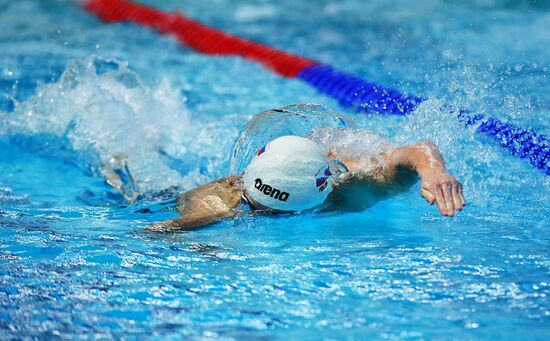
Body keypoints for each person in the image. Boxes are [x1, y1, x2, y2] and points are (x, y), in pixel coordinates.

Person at [147, 105, 465, 232]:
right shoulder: (230, 194)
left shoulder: (353, 186)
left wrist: (434, 171)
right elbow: (171, 228)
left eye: (268, 211)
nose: (254, 214)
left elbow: (417, 151)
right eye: (252, 204)